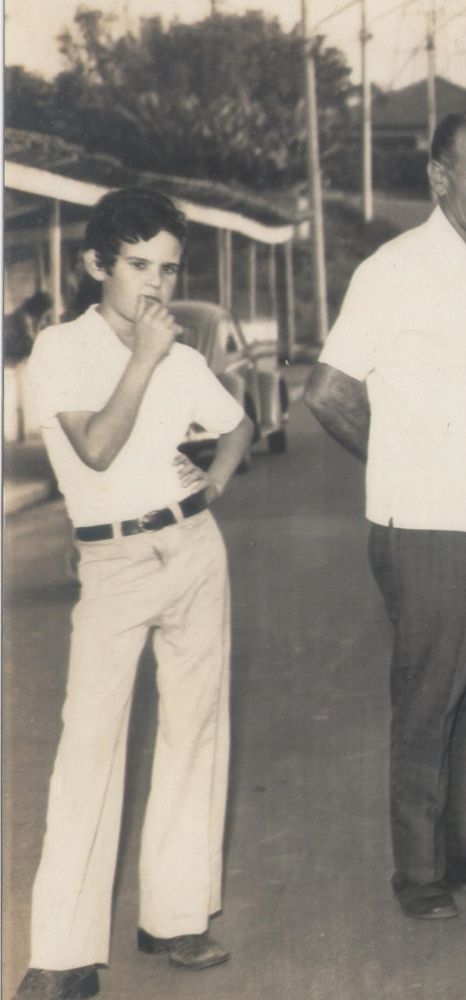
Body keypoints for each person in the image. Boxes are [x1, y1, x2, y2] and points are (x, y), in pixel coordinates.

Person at [304, 111, 466, 922]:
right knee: (429, 700)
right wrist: (405, 465)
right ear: (440, 177)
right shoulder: (395, 269)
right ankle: (419, 873)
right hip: (431, 524)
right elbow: (329, 393)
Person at [15, 188, 253, 1000]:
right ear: (96, 265)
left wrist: (216, 478)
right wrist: (146, 357)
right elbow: (100, 447)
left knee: (194, 732)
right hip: (112, 564)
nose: (156, 286)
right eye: (140, 266)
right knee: (89, 745)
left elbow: (239, 422)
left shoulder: (184, 358)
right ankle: (63, 954)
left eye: (169, 269)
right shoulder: (61, 350)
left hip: (192, 547)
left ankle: (177, 916)